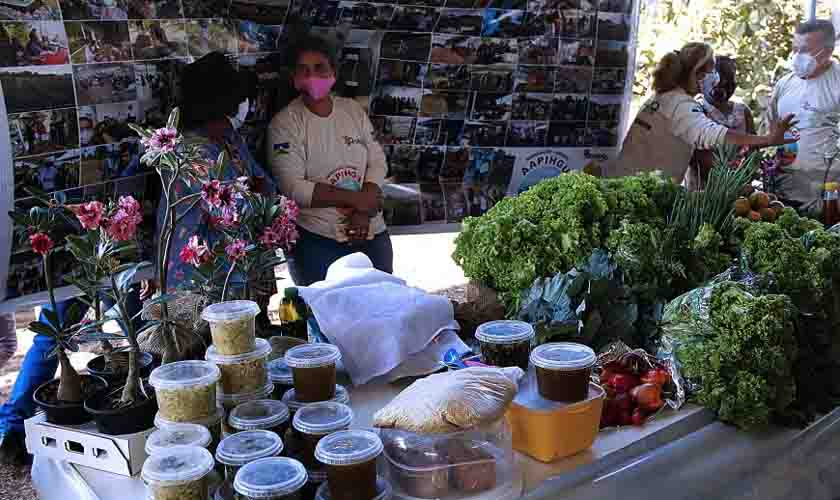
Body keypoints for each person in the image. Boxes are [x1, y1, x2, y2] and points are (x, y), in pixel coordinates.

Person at [144, 52, 274, 296]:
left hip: (236, 268)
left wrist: (258, 193)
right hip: (200, 279)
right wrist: (257, 194)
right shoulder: (190, 150)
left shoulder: (229, 138)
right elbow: (236, 210)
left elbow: (266, 185)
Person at [268, 35, 392, 286]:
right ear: (294, 78)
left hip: (371, 232)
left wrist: (363, 210)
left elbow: (378, 160)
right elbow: (293, 187)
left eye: (319, 67)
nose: (312, 75)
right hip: (318, 241)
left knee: (380, 314)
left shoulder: (352, 111)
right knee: (324, 319)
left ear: (333, 72)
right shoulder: (285, 124)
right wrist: (359, 200)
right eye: (304, 70)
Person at [609, 42, 798, 182]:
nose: (716, 77)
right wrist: (768, 140)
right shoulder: (682, 106)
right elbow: (715, 134)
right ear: (698, 73)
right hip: (641, 191)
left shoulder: (664, 96)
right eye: (713, 69)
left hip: (627, 183)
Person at [768, 20, 840, 213]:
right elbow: (772, 132)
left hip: (826, 197)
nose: (797, 56)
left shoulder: (837, 82)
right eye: (795, 48)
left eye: (805, 50)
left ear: (827, 52)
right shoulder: (784, 84)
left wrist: (832, 196)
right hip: (782, 194)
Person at [686, 56, 757, 190]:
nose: (722, 90)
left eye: (729, 84)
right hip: (702, 193)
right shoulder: (696, 110)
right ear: (703, 82)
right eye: (718, 84)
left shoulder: (743, 112)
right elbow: (697, 158)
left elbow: (753, 151)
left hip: (739, 190)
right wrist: (729, 178)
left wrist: (746, 174)